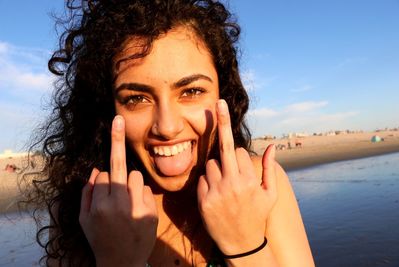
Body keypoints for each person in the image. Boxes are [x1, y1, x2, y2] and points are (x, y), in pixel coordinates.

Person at [26, 0, 314, 266]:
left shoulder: (260, 184)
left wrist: (246, 243)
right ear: (109, 109)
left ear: (222, 95)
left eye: (191, 91)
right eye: (136, 98)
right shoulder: (87, 207)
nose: (166, 126)